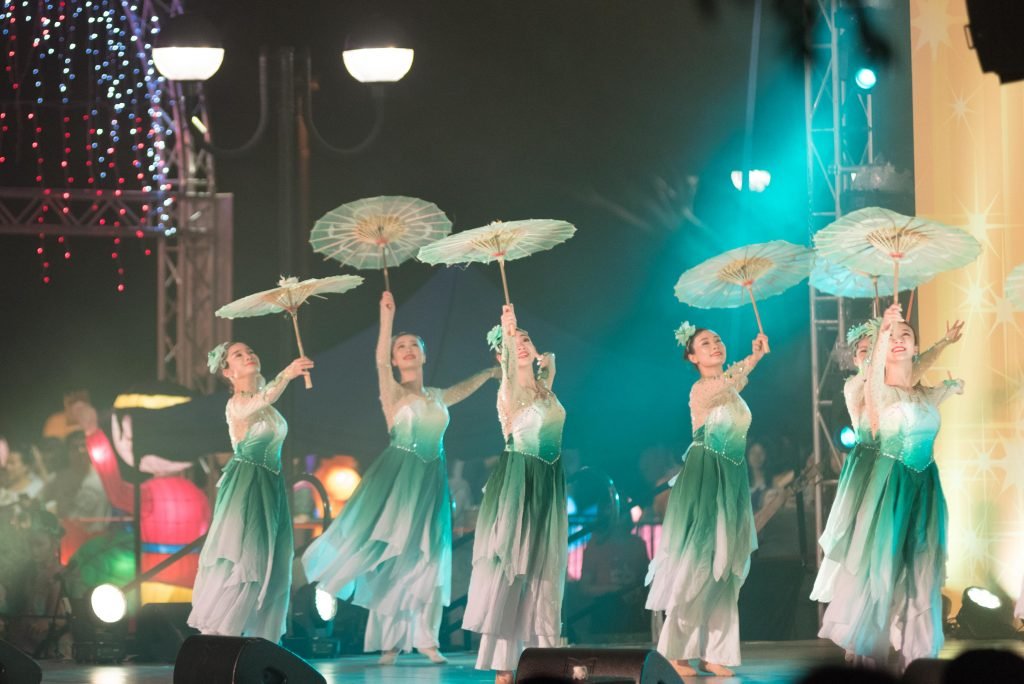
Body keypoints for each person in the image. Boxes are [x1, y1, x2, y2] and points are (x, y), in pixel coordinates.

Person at [302, 291, 498, 664]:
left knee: (427, 557)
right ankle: (389, 641)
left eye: (413, 345)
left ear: (424, 355)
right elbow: (377, 360)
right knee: (392, 556)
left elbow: (465, 388)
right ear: (394, 359)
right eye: (400, 347)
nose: (407, 350)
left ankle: (426, 637)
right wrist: (386, 318)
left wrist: (490, 372)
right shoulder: (392, 393)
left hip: (430, 481)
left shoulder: (438, 396)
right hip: (398, 480)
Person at [818, 304, 963, 670]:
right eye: (891, 338)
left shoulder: (921, 391)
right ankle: (870, 650)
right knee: (879, 568)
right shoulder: (870, 388)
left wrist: (944, 343)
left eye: (906, 335)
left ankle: (918, 653)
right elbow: (877, 375)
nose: (898, 341)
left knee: (922, 571)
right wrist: (884, 331)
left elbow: (921, 367)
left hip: (926, 487)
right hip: (888, 484)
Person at [645, 321, 769, 677]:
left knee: (727, 566)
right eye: (705, 343)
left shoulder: (732, 392)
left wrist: (753, 358)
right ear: (692, 355)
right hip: (704, 479)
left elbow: (732, 384)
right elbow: (728, 381)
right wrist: (755, 357)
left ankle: (715, 651)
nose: (715, 345)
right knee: (698, 564)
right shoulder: (700, 390)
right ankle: (675, 650)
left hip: (731, 479)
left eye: (717, 340)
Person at [462, 304, 568, 684]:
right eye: (513, 342)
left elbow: (550, 361)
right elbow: (511, 366)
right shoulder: (508, 388)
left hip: (549, 480)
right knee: (512, 569)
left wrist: (540, 356)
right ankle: (503, 663)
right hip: (519, 481)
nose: (521, 344)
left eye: (526, 338)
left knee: (545, 569)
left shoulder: (544, 389)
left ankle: (546, 653)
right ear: (501, 354)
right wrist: (509, 331)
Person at [187, 341, 313, 640]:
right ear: (228, 372)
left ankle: (266, 640)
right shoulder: (238, 403)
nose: (248, 356)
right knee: (247, 559)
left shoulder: (265, 402)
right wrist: (288, 373)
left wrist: (285, 377)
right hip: (248, 485)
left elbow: (265, 397)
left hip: (272, 486)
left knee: (275, 562)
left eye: (250, 351)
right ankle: (221, 635)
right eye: (238, 355)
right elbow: (262, 398)